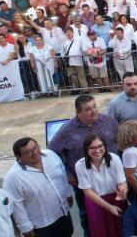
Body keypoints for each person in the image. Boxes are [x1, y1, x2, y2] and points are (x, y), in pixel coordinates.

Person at [49, 94, 119, 236]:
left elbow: (120, 141)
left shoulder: (109, 121)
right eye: (88, 109)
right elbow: (52, 152)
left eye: (94, 106)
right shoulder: (66, 130)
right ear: (78, 113)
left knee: (116, 211)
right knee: (87, 216)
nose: (94, 111)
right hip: (85, 182)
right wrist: (66, 173)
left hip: (112, 178)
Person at [4, 137, 74, 237]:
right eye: (28, 152)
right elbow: (16, 205)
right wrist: (25, 228)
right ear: (18, 157)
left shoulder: (50, 155)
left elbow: (62, 175)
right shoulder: (12, 178)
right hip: (41, 225)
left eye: (36, 147)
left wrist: (67, 194)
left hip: (62, 213)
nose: (35, 152)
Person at [75, 134, 128, 237]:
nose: (97, 150)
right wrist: (109, 207)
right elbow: (88, 192)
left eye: (100, 146)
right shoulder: (80, 165)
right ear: (86, 149)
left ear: (105, 146)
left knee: (120, 229)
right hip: (95, 201)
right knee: (101, 231)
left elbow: (122, 182)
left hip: (116, 198)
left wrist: (123, 192)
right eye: (92, 148)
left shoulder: (114, 158)